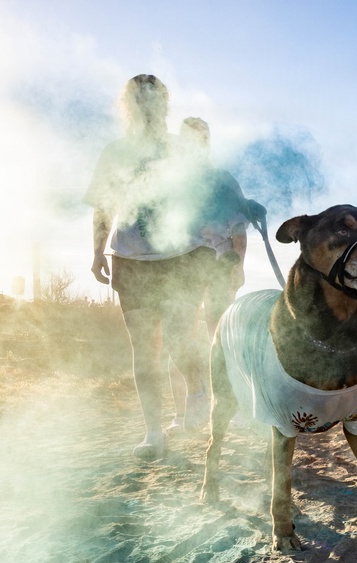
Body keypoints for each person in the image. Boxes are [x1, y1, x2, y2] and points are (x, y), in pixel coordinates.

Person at [84, 74, 210, 460]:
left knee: (176, 341)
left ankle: (198, 389)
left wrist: (208, 251)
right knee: (144, 350)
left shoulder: (179, 150)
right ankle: (153, 432)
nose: (146, 105)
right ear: (129, 105)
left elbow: (200, 201)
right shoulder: (115, 152)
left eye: (153, 99)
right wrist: (97, 252)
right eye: (139, 99)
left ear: (164, 104)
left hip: (178, 259)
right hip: (130, 261)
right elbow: (104, 206)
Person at [165, 117, 265, 434]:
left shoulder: (222, 180)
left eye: (200, 139)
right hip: (180, 265)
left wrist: (238, 266)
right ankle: (185, 410)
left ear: (207, 143)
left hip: (219, 264)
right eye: (188, 140)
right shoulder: (170, 181)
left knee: (220, 337)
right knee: (177, 334)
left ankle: (230, 404)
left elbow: (238, 227)